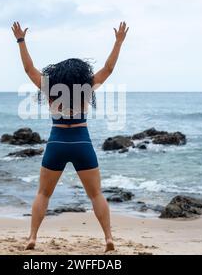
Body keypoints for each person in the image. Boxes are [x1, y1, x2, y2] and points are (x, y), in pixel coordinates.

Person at [11, 21, 129, 252]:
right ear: (81, 74)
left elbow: (28, 69)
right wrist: (118, 42)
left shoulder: (49, 88)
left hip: (57, 143)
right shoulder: (86, 88)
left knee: (43, 193)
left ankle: (32, 237)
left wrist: (21, 41)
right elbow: (108, 68)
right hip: (81, 143)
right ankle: (108, 238)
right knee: (96, 194)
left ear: (58, 74)